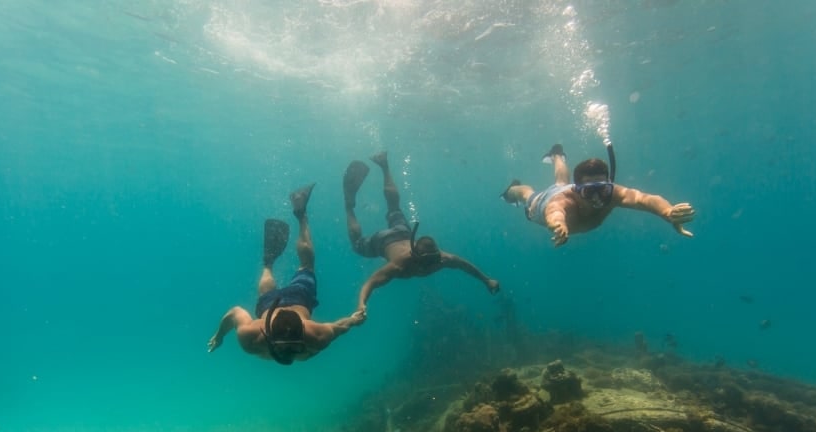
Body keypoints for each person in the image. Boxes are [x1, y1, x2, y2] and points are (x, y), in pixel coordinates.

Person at [207, 184, 365, 365]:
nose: (288, 354)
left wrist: (220, 336)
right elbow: (340, 326)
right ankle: (300, 218)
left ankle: (273, 256)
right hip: (287, 299)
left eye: (293, 348)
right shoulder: (317, 336)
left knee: (304, 266)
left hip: (288, 299)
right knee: (304, 267)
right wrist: (353, 319)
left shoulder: (250, 338)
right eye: (290, 348)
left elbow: (235, 313)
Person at [343, 151, 500, 314]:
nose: (429, 267)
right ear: (415, 256)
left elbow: (464, 265)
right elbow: (372, 282)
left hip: (402, 233)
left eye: (432, 261)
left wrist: (486, 280)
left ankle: (384, 165)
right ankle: (349, 205)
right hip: (384, 241)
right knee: (358, 242)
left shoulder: (439, 258)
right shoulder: (401, 264)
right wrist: (361, 304)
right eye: (427, 263)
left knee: (394, 208)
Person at [501, 143, 696, 247]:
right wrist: (558, 226)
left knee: (561, 182)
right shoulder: (563, 200)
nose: (597, 198)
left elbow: (643, 199)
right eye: (589, 191)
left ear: (608, 184)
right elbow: (555, 212)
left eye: (601, 189)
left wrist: (667, 212)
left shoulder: (613, 194)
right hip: (541, 203)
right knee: (528, 194)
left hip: (565, 188)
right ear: (576, 190)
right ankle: (510, 190)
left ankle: (557, 154)